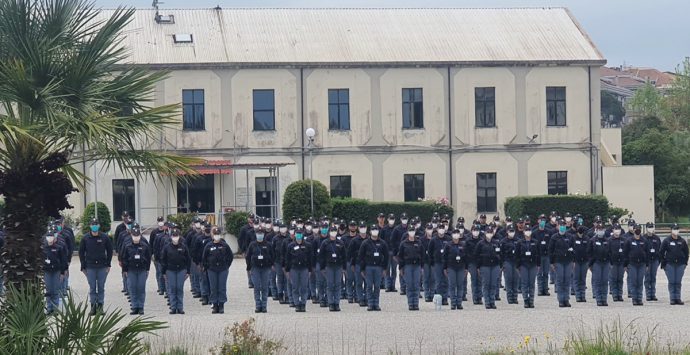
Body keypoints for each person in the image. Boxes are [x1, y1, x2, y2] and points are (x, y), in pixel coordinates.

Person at [79, 219, 113, 316]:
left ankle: (100, 307)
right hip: (90, 267)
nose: (94, 226)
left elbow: (110, 251)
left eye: (96, 224)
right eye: (93, 224)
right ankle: (93, 308)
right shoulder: (85, 238)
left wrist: (108, 264)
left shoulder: (104, 237)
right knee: (92, 288)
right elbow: (81, 252)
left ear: (99, 226)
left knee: (101, 287)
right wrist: (83, 266)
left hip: (102, 266)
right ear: (90, 226)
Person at [201, 227, 234, 314]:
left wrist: (227, 265)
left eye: (218, 234)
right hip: (212, 270)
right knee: (213, 288)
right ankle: (215, 305)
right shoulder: (208, 245)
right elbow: (204, 258)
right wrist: (207, 267)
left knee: (222, 287)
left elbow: (230, 256)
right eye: (215, 234)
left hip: (223, 269)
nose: (217, 236)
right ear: (212, 235)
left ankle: (221, 305)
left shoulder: (224, 245)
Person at [121, 224, 152, 315]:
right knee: (132, 288)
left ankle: (141, 307)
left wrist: (147, 269)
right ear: (131, 236)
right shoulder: (127, 246)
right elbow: (124, 258)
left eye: (137, 235)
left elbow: (148, 258)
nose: (136, 237)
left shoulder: (144, 245)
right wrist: (125, 270)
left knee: (141, 288)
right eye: (134, 236)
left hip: (142, 269)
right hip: (131, 270)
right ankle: (135, 307)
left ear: (140, 235)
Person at [359, 224, 389, 311]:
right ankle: (370, 304)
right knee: (368, 286)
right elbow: (361, 256)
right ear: (370, 231)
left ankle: (376, 303)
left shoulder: (382, 243)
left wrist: (384, 268)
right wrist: (362, 269)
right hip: (368, 267)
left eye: (376, 229)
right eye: (373, 229)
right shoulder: (365, 243)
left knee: (377, 286)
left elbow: (386, 256)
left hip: (378, 267)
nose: (375, 231)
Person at [161, 229, 191, 314]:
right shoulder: (167, 247)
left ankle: (180, 307)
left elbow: (188, 259)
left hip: (181, 270)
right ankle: (173, 307)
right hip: (170, 270)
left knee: (179, 288)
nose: (175, 237)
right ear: (171, 237)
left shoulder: (183, 246)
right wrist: (163, 272)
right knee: (172, 288)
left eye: (176, 236)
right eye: (173, 236)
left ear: (179, 237)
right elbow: (163, 260)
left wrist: (188, 271)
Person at [318, 226, 347, 311]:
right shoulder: (325, 243)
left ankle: (337, 303)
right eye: (332, 231)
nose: (333, 232)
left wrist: (344, 268)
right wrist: (322, 267)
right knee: (330, 285)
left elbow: (344, 256)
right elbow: (321, 256)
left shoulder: (340, 242)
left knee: (338, 285)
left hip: (338, 266)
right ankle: (331, 303)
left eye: (335, 231)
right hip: (329, 266)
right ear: (329, 232)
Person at [246, 227, 274, 313]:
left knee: (265, 287)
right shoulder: (252, 244)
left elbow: (273, 255)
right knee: (257, 287)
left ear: (264, 234)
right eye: (258, 233)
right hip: (255, 268)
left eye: (261, 233)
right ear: (256, 234)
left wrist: (271, 265)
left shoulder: (268, 244)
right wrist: (249, 268)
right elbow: (248, 257)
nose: (260, 235)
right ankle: (258, 306)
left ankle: (264, 306)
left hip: (265, 268)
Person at [659, 223, 689, 305]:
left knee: (678, 282)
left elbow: (686, 252)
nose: (676, 230)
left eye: (677, 229)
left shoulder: (682, 241)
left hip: (680, 264)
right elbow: (661, 252)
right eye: (674, 229)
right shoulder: (666, 240)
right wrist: (664, 263)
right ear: (671, 230)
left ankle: (678, 298)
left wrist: (685, 263)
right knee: (672, 281)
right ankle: (672, 298)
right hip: (670, 264)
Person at [285, 228, 312, 312]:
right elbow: (288, 259)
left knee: (304, 287)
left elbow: (310, 259)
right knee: (295, 287)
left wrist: (310, 270)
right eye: (297, 233)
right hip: (294, 269)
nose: (299, 235)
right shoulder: (291, 246)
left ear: (302, 235)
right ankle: (297, 304)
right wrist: (287, 270)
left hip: (304, 269)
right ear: (295, 235)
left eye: (300, 233)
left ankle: (303, 304)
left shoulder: (308, 245)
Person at [548, 220, 573, 307]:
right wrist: (551, 262)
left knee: (567, 280)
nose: (562, 226)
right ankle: (561, 300)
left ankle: (566, 299)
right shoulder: (554, 237)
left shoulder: (570, 236)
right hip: (558, 261)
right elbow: (550, 250)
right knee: (560, 280)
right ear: (558, 226)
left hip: (568, 261)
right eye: (560, 225)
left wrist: (573, 261)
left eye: (564, 225)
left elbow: (573, 249)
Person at [474, 227, 500, 309]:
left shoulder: (496, 243)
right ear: (485, 233)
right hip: (484, 266)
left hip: (495, 266)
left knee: (493, 284)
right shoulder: (480, 243)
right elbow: (476, 256)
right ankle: (487, 302)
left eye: (491, 232)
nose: (489, 233)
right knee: (486, 284)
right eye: (488, 232)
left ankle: (492, 301)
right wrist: (478, 267)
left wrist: (500, 265)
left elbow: (500, 254)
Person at [398, 225, 423, 310]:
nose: (412, 232)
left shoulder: (419, 242)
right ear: (408, 232)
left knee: (416, 285)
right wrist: (401, 268)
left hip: (417, 266)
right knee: (409, 285)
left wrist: (422, 267)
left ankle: (415, 303)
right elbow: (400, 256)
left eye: (413, 230)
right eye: (410, 230)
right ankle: (410, 303)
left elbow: (423, 255)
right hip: (407, 266)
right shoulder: (404, 243)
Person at [43, 230, 68, 315]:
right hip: (47, 271)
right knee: (49, 290)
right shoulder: (43, 248)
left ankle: (55, 308)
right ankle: (49, 308)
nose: (50, 238)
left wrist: (62, 272)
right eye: (48, 236)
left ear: (54, 238)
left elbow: (63, 260)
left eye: (51, 236)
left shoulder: (58, 248)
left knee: (55, 290)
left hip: (56, 271)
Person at [624, 223, 648, 306]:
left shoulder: (644, 240)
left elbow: (647, 253)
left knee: (640, 282)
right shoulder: (629, 240)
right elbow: (625, 253)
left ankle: (639, 299)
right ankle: (634, 299)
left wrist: (647, 264)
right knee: (634, 282)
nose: (637, 230)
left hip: (642, 264)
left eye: (639, 229)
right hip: (632, 264)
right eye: (636, 229)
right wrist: (625, 265)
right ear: (633, 230)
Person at [516, 225, 540, 308]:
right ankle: (526, 300)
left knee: (532, 283)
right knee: (525, 283)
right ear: (523, 232)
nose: (528, 231)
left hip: (533, 265)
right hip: (523, 265)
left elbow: (538, 254)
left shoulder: (535, 242)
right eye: (526, 230)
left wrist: (538, 264)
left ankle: (531, 300)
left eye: (529, 230)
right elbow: (517, 255)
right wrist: (518, 266)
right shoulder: (520, 242)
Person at [444, 228, 467, 310]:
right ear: (452, 235)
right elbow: (445, 257)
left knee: (460, 285)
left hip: (461, 267)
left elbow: (466, 257)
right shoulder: (448, 245)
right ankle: (453, 303)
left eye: (458, 233)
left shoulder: (463, 244)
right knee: (452, 285)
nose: (456, 235)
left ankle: (459, 303)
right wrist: (445, 268)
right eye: (454, 233)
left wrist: (466, 268)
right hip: (451, 267)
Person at [588, 222, 610, 306]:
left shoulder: (607, 240)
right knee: (598, 281)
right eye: (599, 229)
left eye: (602, 229)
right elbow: (589, 253)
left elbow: (609, 252)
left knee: (604, 281)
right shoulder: (592, 240)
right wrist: (590, 264)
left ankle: (604, 299)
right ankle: (598, 299)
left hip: (605, 263)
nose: (601, 231)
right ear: (596, 230)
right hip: (597, 263)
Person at [429, 223, 449, 305]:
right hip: (437, 263)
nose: (441, 229)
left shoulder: (448, 238)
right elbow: (430, 252)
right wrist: (432, 262)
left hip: (446, 263)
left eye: (442, 228)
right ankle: (439, 298)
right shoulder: (433, 240)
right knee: (439, 281)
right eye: (440, 228)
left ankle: (445, 298)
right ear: (437, 229)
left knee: (446, 281)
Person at [194, 224, 213, 305]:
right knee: (203, 280)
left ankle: (211, 298)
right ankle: (204, 296)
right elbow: (195, 251)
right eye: (206, 228)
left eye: (209, 228)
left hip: (211, 263)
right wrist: (197, 263)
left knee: (211, 281)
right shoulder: (199, 238)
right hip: (202, 262)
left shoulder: (213, 239)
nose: (207, 229)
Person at [500, 225, 519, 304]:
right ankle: (510, 297)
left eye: (512, 231)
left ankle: (515, 297)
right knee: (508, 279)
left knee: (515, 279)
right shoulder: (503, 241)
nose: (511, 233)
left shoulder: (518, 240)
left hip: (515, 261)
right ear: (507, 232)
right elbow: (501, 254)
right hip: (507, 261)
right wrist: (502, 264)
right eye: (510, 231)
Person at [465, 224, 483, 305]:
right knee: (474, 280)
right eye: (474, 230)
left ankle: (480, 297)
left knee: (480, 280)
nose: (476, 232)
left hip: (480, 263)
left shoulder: (482, 240)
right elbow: (465, 253)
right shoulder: (468, 241)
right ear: (471, 231)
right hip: (472, 263)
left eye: (477, 230)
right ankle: (475, 298)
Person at [149, 216, 167, 296]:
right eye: (159, 220)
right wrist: (152, 254)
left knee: (165, 273)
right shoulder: (154, 232)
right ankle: (161, 288)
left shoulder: (166, 231)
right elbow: (151, 244)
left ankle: (166, 288)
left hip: (165, 256)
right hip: (157, 256)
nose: (160, 222)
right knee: (159, 272)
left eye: (161, 220)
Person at [571, 226, 590, 303]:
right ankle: (578, 296)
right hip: (576, 261)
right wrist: (573, 261)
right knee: (576, 279)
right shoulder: (573, 238)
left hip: (584, 261)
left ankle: (583, 295)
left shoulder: (586, 238)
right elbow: (571, 249)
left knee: (583, 279)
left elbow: (589, 250)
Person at [608, 224, 626, 302]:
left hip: (621, 262)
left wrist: (625, 263)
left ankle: (620, 294)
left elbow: (626, 251)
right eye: (616, 229)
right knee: (614, 279)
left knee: (620, 279)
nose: (617, 230)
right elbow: (608, 252)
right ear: (613, 230)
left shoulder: (624, 240)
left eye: (618, 229)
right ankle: (615, 294)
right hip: (613, 263)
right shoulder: (609, 240)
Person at [644, 222, 661, 301]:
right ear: (646, 228)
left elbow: (660, 249)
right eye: (649, 227)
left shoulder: (656, 238)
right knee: (647, 277)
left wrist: (659, 260)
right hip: (647, 261)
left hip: (654, 260)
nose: (651, 229)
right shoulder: (643, 238)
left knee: (653, 277)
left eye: (652, 227)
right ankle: (648, 294)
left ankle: (653, 294)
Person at [534, 215, 551, 296]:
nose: (542, 222)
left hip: (546, 255)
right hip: (538, 256)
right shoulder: (534, 232)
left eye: (544, 220)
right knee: (539, 273)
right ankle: (540, 289)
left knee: (546, 273)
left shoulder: (548, 232)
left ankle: (546, 289)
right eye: (541, 220)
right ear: (538, 221)